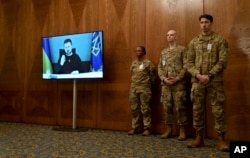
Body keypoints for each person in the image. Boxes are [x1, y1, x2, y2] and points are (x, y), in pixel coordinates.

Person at [186, 14, 229, 151]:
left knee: (218, 110)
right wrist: (198, 75)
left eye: (207, 22)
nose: (204, 25)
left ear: (211, 23)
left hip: (214, 81)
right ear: (199, 24)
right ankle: (199, 138)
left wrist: (209, 75)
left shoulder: (219, 40)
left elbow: (223, 61)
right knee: (197, 110)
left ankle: (221, 140)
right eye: (202, 22)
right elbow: (188, 62)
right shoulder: (194, 42)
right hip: (198, 82)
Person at [158, 29, 188, 141]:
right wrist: (164, 78)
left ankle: (182, 130)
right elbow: (160, 67)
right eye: (168, 35)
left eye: (172, 35)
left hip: (178, 84)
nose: (169, 37)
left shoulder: (182, 50)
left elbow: (186, 66)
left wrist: (177, 78)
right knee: (167, 107)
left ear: (176, 37)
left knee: (180, 107)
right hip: (166, 85)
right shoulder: (163, 52)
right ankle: (169, 129)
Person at [128, 46, 156, 136]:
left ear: (144, 52)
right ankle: (135, 127)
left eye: (139, 51)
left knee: (145, 109)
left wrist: (148, 85)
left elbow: (153, 76)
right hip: (134, 88)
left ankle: (147, 128)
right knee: (134, 109)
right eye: (136, 51)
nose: (137, 52)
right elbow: (131, 74)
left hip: (144, 89)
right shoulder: (134, 63)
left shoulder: (148, 63)